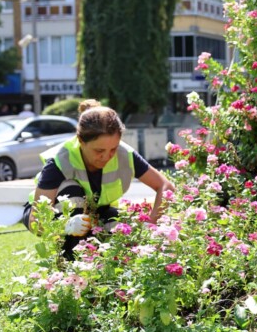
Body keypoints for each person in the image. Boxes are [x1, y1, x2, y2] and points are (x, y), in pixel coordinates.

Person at [21, 99, 175, 259]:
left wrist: (151, 223)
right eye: (99, 150)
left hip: (96, 212)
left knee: (125, 232)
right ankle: (74, 266)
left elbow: (165, 186)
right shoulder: (60, 161)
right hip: (52, 213)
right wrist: (65, 226)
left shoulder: (125, 155)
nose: (106, 156)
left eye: (113, 149)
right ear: (81, 141)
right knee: (72, 195)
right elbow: (36, 221)